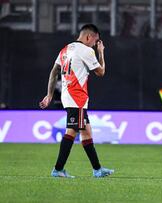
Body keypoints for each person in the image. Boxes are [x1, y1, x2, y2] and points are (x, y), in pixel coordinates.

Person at [39, 24, 114, 178]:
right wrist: (101, 53)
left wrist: (49, 94)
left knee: (86, 132)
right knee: (72, 132)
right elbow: (101, 72)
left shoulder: (66, 49)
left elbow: (54, 72)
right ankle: (58, 169)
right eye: (95, 41)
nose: (95, 44)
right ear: (88, 37)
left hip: (69, 96)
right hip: (77, 98)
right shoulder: (86, 51)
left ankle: (97, 169)